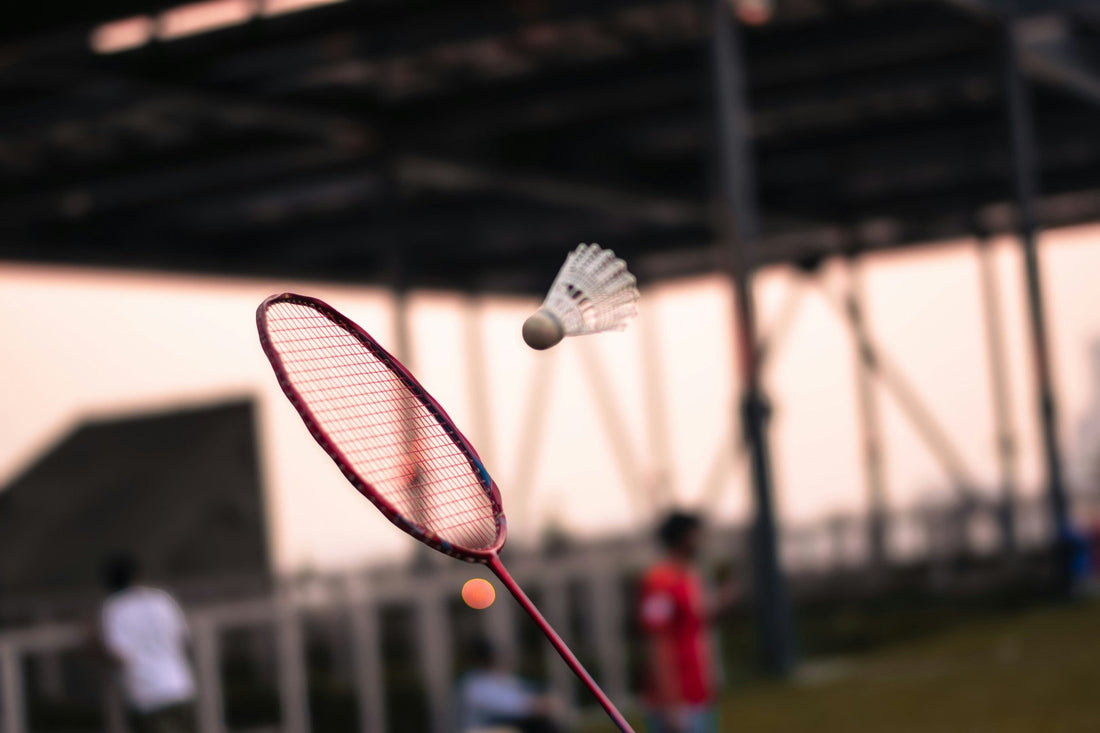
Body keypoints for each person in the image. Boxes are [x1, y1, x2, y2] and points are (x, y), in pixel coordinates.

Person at [637, 512, 734, 733]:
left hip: (698, 695)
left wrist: (720, 604)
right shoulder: (659, 582)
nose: (701, 541)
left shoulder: (689, 576)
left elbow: (693, 621)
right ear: (682, 538)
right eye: (696, 534)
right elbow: (657, 642)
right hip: (676, 703)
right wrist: (672, 705)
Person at [99, 554, 197, 733]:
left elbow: (118, 655)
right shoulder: (162, 599)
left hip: (147, 694)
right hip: (179, 686)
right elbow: (183, 640)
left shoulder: (114, 608)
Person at [455, 637, 561, 733]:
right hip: (481, 730)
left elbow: (526, 689)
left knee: (544, 724)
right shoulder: (473, 684)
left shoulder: (503, 678)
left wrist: (545, 700)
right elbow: (506, 705)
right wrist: (536, 705)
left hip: (501, 726)